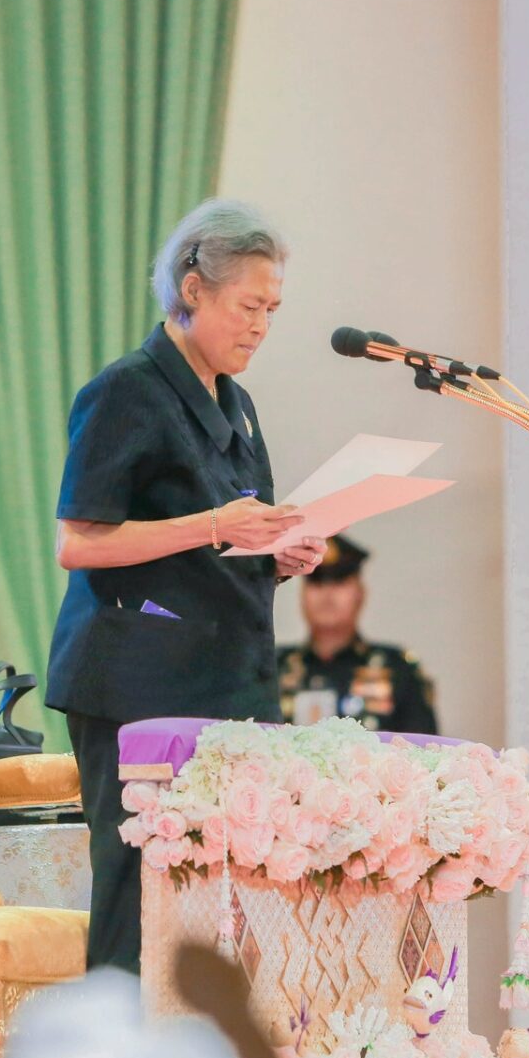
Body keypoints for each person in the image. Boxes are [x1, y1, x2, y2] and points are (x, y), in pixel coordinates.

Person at [46, 199, 326, 973]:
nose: (260, 327)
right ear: (193, 289)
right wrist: (214, 526)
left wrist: (276, 553)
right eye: (248, 307)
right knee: (140, 902)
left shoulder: (237, 403)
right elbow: (79, 542)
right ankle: (116, 1050)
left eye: (271, 311)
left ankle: (206, 1050)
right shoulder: (126, 391)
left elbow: (224, 539)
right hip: (139, 686)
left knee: (227, 907)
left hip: (227, 679)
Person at [276, 534, 438, 735]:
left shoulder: (398, 669)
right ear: (301, 595)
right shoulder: (274, 667)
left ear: (361, 594)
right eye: (316, 582)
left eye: (340, 582)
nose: (327, 594)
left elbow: (422, 746)